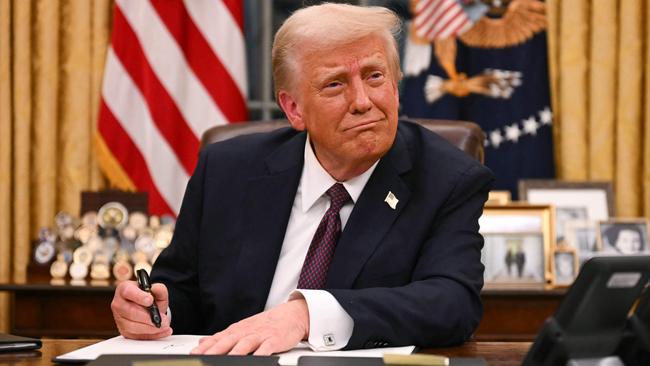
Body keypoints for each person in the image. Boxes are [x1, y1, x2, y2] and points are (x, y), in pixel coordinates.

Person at [110, 3, 494, 356]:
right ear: (294, 109)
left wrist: (306, 315)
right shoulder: (227, 170)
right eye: (335, 84)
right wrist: (151, 311)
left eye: (375, 76)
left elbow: (452, 303)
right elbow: (179, 290)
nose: (363, 101)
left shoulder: (447, 179)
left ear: (395, 86)